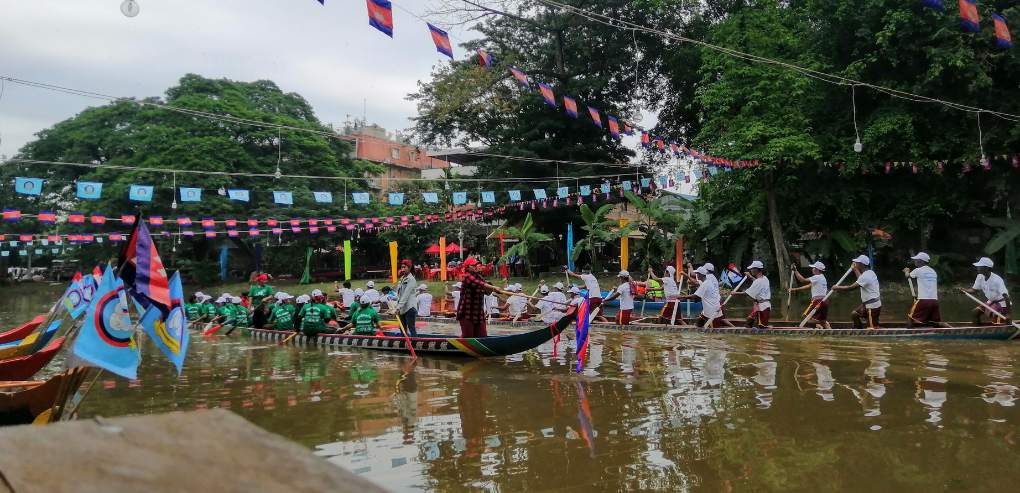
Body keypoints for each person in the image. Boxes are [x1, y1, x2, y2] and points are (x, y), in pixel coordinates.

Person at [456, 256, 502, 338]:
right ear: (468, 267)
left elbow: (487, 290)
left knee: (483, 336)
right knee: (468, 337)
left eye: (476, 265)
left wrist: (495, 290)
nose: (476, 266)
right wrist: (494, 288)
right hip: (467, 313)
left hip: (478, 313)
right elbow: (479, 283)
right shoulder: (466, 276)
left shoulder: (480, 277)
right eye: (473, 265)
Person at [833, 255, 882, 330]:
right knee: (854, 314)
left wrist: (836, 288)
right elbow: (861, 279)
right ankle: (859, 329)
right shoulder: (870, 272)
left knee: (872, 329)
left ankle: (874, 330)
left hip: (872, 307)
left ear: (861, 264)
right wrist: (855, 269)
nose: (855, 263)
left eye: (857, 263)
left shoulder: (866, 276)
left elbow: (850, 288)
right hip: (867, 305)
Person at [964, 257, 1012, 325]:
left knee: (996, 319)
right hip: (991, 301)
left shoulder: (997, 280)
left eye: (980, 266)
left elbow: (1006, 297)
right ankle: (978, 331)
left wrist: (1008, 314)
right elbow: (974, 290)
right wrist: (964, 290)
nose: (978, 268)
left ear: (986, 268)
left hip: (1002, 303)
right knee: (975, 313)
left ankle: (1001, 326)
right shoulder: (980, 276)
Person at [903, 252, 945, 328]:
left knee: (910, 317)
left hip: (923, 300)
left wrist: (906, 271)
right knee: (935, 322)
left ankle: (908, 334)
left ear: (921, 261)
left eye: (916, 260)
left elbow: (907, 276)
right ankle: (949, 329)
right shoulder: (933, 271)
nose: (915, 261)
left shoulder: (918, 270)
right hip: (934, 301)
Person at [791, 261, 830, 329]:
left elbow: (802, 280)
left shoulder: (816, 277)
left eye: (813, 268)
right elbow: (809, 286)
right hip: (825, 301)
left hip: (817, 301)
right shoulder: (823, 278)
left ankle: (818, 326)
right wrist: (795, 289)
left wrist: (795, 271)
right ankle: (827, 328)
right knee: (822, 321)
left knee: (805, 317)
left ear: (817, 269)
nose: (812, 269)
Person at [733, 261, 771, 328]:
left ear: (756, 269)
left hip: (762, 308)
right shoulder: (765, 278)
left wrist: (734, 293)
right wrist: (750, 276)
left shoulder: (758, 281)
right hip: (764, 306)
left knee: (761, 327)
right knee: (749, 322)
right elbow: (757, 282)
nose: (751, 270)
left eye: (752, 269)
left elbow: (746, 293)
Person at [396, 259, 418, 336]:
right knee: (402, 329)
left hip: (410, 308)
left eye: (405, 267)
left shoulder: (411, 279)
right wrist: (397, 306)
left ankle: (415, 342)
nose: (403, 269)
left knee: (411, 327)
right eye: (402, 267)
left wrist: (398, 307)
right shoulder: (402, 279)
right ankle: (404, 343)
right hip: (401, 308)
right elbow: (399, 294)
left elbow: (406, 294)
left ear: (409, 268)